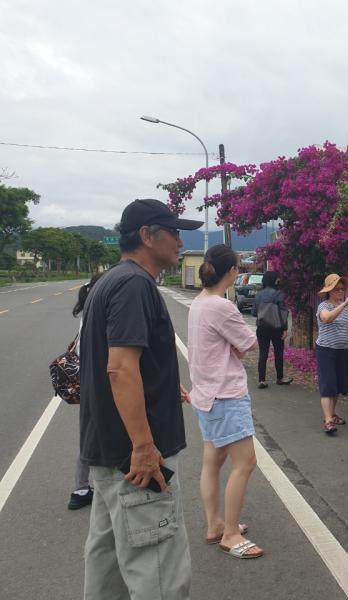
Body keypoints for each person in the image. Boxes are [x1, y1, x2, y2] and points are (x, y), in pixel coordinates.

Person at [79, 198, 201, 599]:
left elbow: (124, 365)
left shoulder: (110, 281)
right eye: (174, 232)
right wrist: (145, 447)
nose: (181, 241)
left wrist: (165, 388)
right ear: (148, 236)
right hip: (136, 463)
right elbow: (120, 369)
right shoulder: (134, 285)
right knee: (159, 575)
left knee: (108, 568)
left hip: (107, 454)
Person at [187, 245, 264, 559]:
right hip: (226, 394)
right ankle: (230, 534)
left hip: (205, 393)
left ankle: (215, 525)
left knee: (212, 463)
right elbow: (249, 343)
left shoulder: (199, 302)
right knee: (246, 463)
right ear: (232, 272)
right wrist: (237, 348)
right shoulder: (221, 306)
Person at [67, 272, 105, 510]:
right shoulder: (97, 310)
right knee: (97, 434)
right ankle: (84, 489)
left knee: (90, 434)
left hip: (88, 380)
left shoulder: (87, 310)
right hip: (98, 382)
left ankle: (81, 487)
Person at [316, 273, 348, 434]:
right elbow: (327, 318)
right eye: (337, 289)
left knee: (336, 385)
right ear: (329, 290)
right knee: (327, 385)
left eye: (342, 289)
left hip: (341, 350)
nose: (340, 292)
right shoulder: (324, 306)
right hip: (326, 350)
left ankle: (332, 414)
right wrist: (344, 304)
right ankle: (327, 420)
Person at [251, 271, 292, 388]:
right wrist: (285, 329)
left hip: (262, 327)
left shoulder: (259, 295)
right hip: (277, 328)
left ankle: (262, 380)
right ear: (274, 280)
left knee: (263, 353)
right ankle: (280, 378)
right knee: (278, 353)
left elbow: (254, 313)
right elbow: (284, 313)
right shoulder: (279, 294)